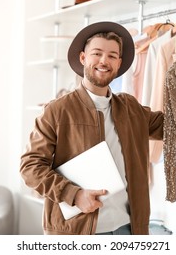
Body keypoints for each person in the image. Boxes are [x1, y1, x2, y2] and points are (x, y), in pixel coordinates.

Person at [20, 21, 164, 235]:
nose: (104, 61)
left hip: (129, 230)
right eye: (97, 53)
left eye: (112, 56)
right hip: (76, 232)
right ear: (83, 58)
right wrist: (74, 194)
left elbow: (171, 126)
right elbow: (30, 167)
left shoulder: (131, 108)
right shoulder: (58, 110)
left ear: (119, 63)